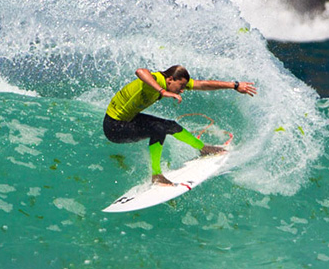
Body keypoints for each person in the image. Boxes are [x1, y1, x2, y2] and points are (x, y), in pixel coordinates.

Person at [103, 65, 257, 185]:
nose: (183, 90)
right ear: (170, 79)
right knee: (158, 129)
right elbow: (140, 71)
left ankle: (203, 149)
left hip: (129, 119)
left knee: (171, 125)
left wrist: (234, 85)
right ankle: (156, 175)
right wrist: (162, 92)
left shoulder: (172, 81)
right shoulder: (155, 80)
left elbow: (203, 84)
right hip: (114, 127)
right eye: (181, 86)